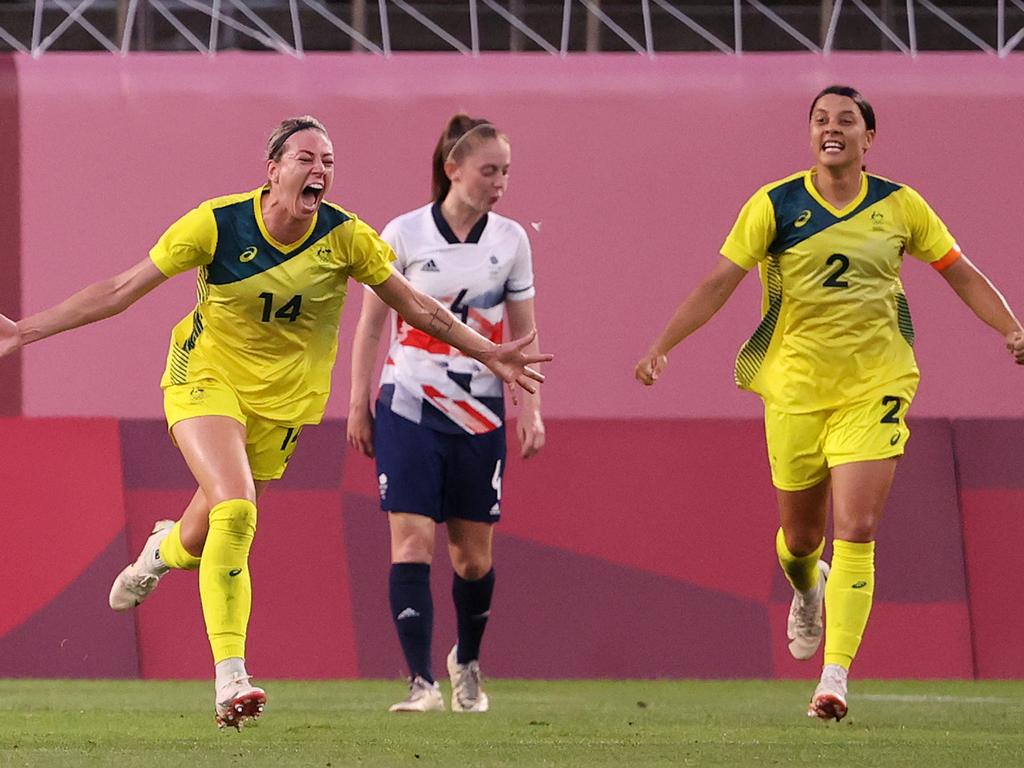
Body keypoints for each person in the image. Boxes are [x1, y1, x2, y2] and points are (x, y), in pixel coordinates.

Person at [0, 115, 550, 729]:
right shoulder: (217, 223)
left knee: (204, 534)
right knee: (236, 509)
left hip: (282, 408)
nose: (320, 171)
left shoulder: (347, 238)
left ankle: (159, 551)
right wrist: (26, 330)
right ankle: (231, 679)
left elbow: (416, 304)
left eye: (329, 162)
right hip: (203, 381)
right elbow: (123, 287)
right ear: (273, 170)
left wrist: (486, 349)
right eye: (306, 159)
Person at [635, 85, 1024, 722]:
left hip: (877, 385)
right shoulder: (774, 204)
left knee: (859, 529)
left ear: (869, 139)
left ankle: (834, 676)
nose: (831, 128)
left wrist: (1009, 327)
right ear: (810, 135)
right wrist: (662, 346)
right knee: (801, 539)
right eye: (821, 120)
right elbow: (718, 282)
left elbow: (959, 270)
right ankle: (806, 589)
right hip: (793, 390)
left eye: (846, 120)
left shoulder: (901, 206)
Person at [347, 114, 544, 713]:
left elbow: (524, 334)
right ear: (452, 170)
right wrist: (359, 400)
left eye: (506, 171)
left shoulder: (511, 240)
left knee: (472, 558)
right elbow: (371, 326)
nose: (500, 182)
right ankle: (420, 682)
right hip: (408, 405)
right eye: (489, 170)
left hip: (479, 413)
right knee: (410, 544)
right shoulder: (403, 234)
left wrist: (531, 410)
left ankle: (469, 664)